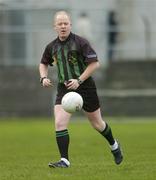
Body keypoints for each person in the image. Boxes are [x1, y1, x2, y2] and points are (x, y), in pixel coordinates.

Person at [39, 11, 123, 168]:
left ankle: (114, 145)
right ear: (55, 27)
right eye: (60, 24)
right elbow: (43, 63)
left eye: (66, 23)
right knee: (59, 123)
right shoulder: (52, 47)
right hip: (64, 88)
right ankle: (64, 160)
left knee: (97, 124)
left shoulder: (81, 42)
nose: (63, 26)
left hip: (85, 87)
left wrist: (79, 80)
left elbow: (95, 63)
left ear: (70, 25)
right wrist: (43, 77)